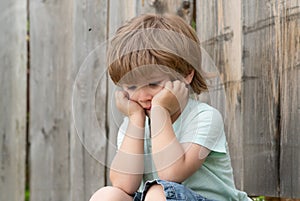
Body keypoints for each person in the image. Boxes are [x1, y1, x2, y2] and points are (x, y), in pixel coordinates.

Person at [90, 13, 252, 201]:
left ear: (186, 75)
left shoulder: (203, 118)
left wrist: (160, 111)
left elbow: (171, 174)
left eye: (153, 84)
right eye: (132, 87)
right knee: (106, 196)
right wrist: (135, 121)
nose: (142, 96)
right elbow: (124, 184)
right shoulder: (134, 125)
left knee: (159, 193)